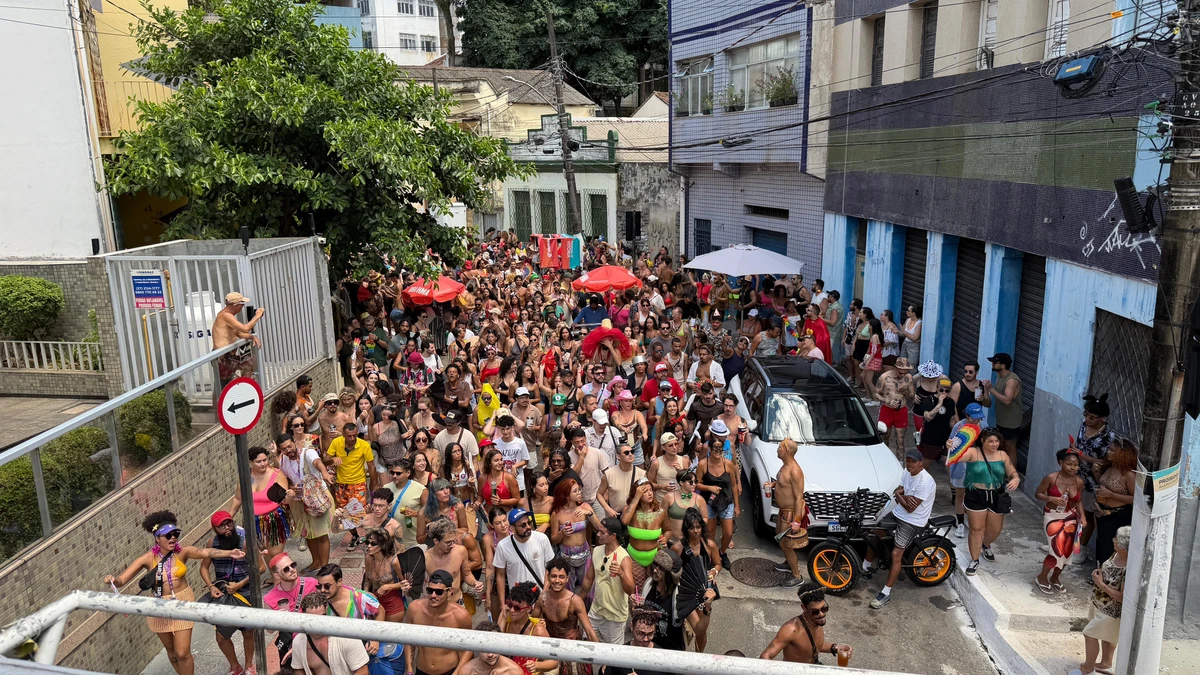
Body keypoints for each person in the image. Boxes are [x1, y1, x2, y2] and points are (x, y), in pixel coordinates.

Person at [104, 511, 246, 675]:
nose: (173, 538)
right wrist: (112, 580)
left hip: (183, 602)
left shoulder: (182, 552)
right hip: (158, 606)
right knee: (172, 654)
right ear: (157, 538)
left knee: (182, 653)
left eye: (175, 534)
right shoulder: (148, 558)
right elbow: (122, 580)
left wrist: (229, 552)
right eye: (168, 535)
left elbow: (204, 552)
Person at [865, 449, 936, 609]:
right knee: (875, 532)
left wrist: (899, 495)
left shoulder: (925, 482)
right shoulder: (906, 471)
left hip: (913, 520)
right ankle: (865, 567)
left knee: (896, 554)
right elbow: (900, 489)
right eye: (908, 460)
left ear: (921, 463)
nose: (910, 464)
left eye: (913, 461)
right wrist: (903, 496)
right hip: (899, 512)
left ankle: (886, 593)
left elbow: (910, 508)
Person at [957, 428, 1021, 576]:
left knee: (995, 530)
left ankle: (985, 545)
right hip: (976, 495)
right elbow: (957, 457)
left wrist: (1016, 478)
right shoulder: (973, 453)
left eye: (997, 441)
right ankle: (974, 560)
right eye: (991, 441)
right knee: (976, 529)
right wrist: (953, 446)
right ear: (982, 441)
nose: (994, 444)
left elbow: (1012, 472)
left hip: (996, 495)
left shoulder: (1002, 455)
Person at [199, 511, 255, 675]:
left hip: (245, 594)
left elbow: (260, 568)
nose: (227, 528)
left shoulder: (245, 542)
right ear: (215, 528)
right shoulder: (212, 543)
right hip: (224, 595)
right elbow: (203, 567)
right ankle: (235, 666)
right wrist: (210, 586)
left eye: (229, 523)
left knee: (248, 632)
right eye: (221, 526)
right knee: (221, 637)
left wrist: (240, 584)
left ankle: (249, 665)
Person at [1073, 526, 1130, 675]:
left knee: (1090, 634)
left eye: (1116, 540)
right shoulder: (1115, 554)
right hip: (1099, 602)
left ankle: (1087, 669)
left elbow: (1122, 597)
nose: (1114, 541)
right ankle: (1105, 663)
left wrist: (1101, 584)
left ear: (1124, 548)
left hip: (1111, 610)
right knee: (1107, 635)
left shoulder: (1128, 569)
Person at [228, 444, 294, 572]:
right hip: (253, 521)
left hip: (274, 519)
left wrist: (291, 495)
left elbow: (285, 500)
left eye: (265, 460)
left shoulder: (276, 474)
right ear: (251, 462)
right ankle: (274, 577)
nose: (263, 464)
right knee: (264, 552)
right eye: (259, 462)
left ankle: (280, 579)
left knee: (275, 554)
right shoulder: (245, 477)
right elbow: (238, 498)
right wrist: (229, 517)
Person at [278, 430, 335, 573]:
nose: (288, 451)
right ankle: (316, 562)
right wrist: (292, 488)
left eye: (289, 446)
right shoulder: (283, 460)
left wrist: (325, 473)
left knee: (321, 534)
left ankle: (325, 567)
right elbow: (285, 479)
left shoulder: (307, 453)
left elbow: (317, 462)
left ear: (294, 443)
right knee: (307, 533)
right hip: (299, 501)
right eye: (284, 449)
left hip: (316, 498)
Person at [535, 558, 600, 675]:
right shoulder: (542, 599)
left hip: (572, 650)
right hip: (550, 649)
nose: (557, 580)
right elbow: (531, 624)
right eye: (554, 576)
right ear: (548, 577)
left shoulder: (575, 600)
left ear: (567, 579)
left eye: (561, 577)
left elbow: (589, 631)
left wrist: (604, 657)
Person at [1034, 449, 1086, 594]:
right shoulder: (1051, 478)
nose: (1073, 467)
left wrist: (1083, 517)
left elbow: (1079, 500)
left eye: (1076, 465)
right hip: (1053, 517)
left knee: (1067, 551)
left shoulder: (1079, 482)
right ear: (1060, 463)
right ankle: (1042, 577)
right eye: (1069, 464)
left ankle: (1055, 577)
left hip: (1071, 517)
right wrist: (1050, 498)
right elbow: (1038, 493)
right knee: (1055, 550)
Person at [760, 583, 852, 666]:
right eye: (815, 612)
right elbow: (765, 656)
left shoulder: (816, 621)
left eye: (824, 608)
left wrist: (835, 648)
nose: (821, 614)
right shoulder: (791, 629)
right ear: (804, 608)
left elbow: (812, 647)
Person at [403, 570, 473, 675]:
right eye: (430, 590)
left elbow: (469, 647)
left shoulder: (460, 615)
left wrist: (458, 672)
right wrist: (409, 669)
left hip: (449, 671)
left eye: (439, 592)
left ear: (449, 591)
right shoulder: (415, 609)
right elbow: (409, 641)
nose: (433, 595)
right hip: (421, 670)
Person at [671, 508, 721, 653]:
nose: (696, 531)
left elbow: (718, 563)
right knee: (681, 628)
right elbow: (672, 571)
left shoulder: (709, 545)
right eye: (692, 528)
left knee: (701, 631)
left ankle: (699, 657)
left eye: (698, 527)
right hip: (685, 592)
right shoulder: (678, 547)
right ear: (686, 529)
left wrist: (714, 571)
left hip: (703, 590)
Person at [580, 517, 635, 645]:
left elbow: (631, 590)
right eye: (598, 531)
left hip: (614, 616)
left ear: (613, 536)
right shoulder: (597, 551)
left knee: (613, 656)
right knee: (587, 646)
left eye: (602, 532)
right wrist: (578, 601)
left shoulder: (624, 557)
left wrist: (621, 573)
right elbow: (588, 579)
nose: (598, 535)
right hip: (596, 612)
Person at [1074, 394, 1117, 558]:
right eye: (1086, 415)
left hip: (1091, 480)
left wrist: (1083, 457)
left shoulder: (1108, 437)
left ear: (1103, 419)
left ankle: (1081, 549)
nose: (1087, 419)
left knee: (1086, 514)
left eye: (1092, 417)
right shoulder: (1084, 426)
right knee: (1070, 509)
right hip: (1074, 474)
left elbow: (1106, 462)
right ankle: (1062, 542)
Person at [325, 423, 378, 551]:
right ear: (343, 434)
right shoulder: (336, 443)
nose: (352, 438)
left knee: (359, 513)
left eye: (354, 435)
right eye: (349, 436)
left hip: (358, 483)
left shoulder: (364, 445)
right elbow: (324, 460)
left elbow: (371, 466)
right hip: (341, 485)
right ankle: (355, 536)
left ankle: (371, 539)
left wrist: (374, 485)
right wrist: (333, 460)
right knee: (344, 515)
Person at [290, 592, 370, 675]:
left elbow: (363, 671)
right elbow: (298, 669)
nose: (317, 623)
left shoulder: (346, 636)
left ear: (326, 612)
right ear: (303, 617)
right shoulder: (299, 641)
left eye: (321, 617)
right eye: (311, 619)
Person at [264, 553, 317, 675]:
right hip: (290, 646)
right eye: (286, 569)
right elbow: (269, 630)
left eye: (292, 565)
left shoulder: (312, 583)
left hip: (313, 641)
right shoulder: (269, 598)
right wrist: (276, 620)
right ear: (276, 575)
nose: (292, 570)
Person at [493, 508, 555, 608]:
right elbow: (500, 575)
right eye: (523, 525)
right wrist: (502, 604)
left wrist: (545, 591)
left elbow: (550, 567)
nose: (528, 527)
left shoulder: (542, 539)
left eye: (528, 523)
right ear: (512, 529)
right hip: (518, 603)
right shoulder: (503, 546)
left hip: (540, 598)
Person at [765, 439, 807, 587]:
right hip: (783, 511)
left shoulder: (795, 471)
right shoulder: (785, 467)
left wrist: (796, 520)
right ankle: (788, 563)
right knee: (780, 537)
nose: (777, 450)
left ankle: (797, 576)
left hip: (789, 513)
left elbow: (798, 497)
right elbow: (783, 484)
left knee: (786, 543)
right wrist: (773, 484)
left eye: (779, 447)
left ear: (787, 451)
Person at [497, 581, 559, 675]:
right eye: (510, 604)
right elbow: (495, 644)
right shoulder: (505, 617)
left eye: (517, 608)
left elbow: (554, 662)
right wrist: (503, 618)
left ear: (529, 609)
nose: (512, 610)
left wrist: (536, 665)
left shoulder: (537, 630)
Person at [1093, 438, 1137, 570]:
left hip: (1117, 516)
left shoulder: (1128, 475)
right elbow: (1103, 486)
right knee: (1101, 542)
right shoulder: (1110, 467)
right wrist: (1097, 473)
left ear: (1122, 454)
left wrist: (1112, 495)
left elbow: (1136, 499)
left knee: (1110, 546)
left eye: (1112, 450)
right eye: (1109, 448)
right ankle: (1099, 571)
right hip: (1102, 512)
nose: (1108, 452)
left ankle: (1106, 576)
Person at [549, 479, 599, 591]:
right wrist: (562, 533)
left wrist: (590, 514)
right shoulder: (556, 513)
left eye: (579, 490)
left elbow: (599, 527)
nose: (579, 493)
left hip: (585, 553)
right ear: (567, 496)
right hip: (566, 556)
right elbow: (553, 540)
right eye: (575, 491)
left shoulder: (585, 506)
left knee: (588, 587)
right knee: (566, 588)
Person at [424, 518, 483, 606]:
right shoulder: (426, 558)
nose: (452, 545)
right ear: (436, 541)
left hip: (457, 603)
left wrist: (475, 583)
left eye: (454, 541)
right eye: (448, 542)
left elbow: (467, 574)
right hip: (435, 606)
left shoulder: (460, 551)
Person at [621, 478, 668, 590]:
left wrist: (665, 538)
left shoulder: (660, 511)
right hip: (634, 557)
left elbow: (668, 530)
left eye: (651, 490)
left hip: (655, 556)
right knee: (637, 589)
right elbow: (624, 521)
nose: (650, 493)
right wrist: (637, 497)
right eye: (645, 491)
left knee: (654, 589)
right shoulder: (629, 510)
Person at [211, 291, 264, 390]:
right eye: (242, 304)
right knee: (223, 385)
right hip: (221, 357)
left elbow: (238, 333)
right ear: (237, 306)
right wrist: (257, 316)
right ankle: (219, 404)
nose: (243, 307)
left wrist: (251, 337)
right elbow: (245, 328)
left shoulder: (229, 317)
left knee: (249, 365)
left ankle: (243, 390)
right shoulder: (225, 315)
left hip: (230, 355)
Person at [697, 445, 738, 568]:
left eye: (720, 450)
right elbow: (697, 484)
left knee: (728, 533)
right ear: (710, 449)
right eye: (715, 449)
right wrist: (709, 488)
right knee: (710, 532)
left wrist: (737, 506)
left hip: (726, 500)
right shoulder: (703, 464)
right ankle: (712, 556)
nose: (718, 452)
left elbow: (734, 485)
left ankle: (722, 552)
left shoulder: (728, 464)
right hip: (709, 502)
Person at [598, 605, 668, 675]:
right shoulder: (619, 655)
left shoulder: (662, 657)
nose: (646, 639)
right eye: (641, 633)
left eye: (650, 634)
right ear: (631, 627)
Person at [361, 528, 411, 622]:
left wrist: (387, 586)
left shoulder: (394, 561)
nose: (369, 546)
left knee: (390, 634)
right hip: (374, 602)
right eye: (368, 542)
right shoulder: (368, 558)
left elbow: (405, 583)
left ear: (383, 545)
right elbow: (367, 579)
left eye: (373, 543)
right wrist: (366, 591)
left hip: (392, 604)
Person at [875, 356, 915, 458]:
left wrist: (904, 390)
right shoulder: (884, 377)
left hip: (901, 410)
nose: (902, 375)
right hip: (887, 410)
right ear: (895, 368)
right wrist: (887, 400)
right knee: (884, 438)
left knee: (900, 440)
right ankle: (884, 459)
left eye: (904, 373)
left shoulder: (908, 378)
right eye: (900, 372)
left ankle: (900, 463)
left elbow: (912, 395)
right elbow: (876, 393)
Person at [985, 353, 1022, 461]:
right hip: (1001, 419)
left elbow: (1007, 400)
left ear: (1003, 365)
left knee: (1010, 448)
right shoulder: (999, 376)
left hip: (1011, 421)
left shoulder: (1012, 380)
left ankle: (1012, 476)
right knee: (1003, 447)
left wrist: (991, 389)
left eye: (995, 362)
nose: (992, 364)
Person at [385, 458, 428, 550]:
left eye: (398, 473)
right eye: (393, 473)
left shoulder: (421, 489)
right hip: (391, 540)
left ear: (408, 473)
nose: (394, 476)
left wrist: (416, 513)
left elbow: (429, 514)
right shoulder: (386, 488)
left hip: (413, 541)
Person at [567, 426, 611, 516]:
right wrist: (581, 458)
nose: (580, 445)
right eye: (577, 442)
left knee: (601, 524)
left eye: (582, 441)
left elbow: (607, 473)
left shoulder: (597, 452)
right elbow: (572, 475)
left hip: (596, 496)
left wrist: (605, 492)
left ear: (586, 439)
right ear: (572, 442)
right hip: (578, 499)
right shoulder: (568, 456)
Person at [458, 622, 525, 675]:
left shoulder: (514, 672)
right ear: (477, 648)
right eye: (485, 649)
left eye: (493, 647)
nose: (490, 654)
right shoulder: (466, 671)